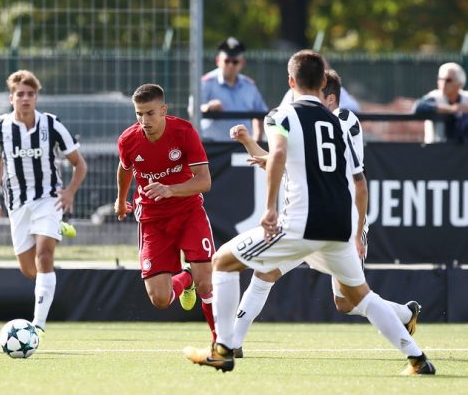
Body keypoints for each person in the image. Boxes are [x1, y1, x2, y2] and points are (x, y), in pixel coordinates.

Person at [183, 50, 435, 375]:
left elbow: (278, 155)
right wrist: (357, 232)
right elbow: (359, 183)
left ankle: (223, 349)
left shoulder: (283, 115)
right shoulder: (339, 122)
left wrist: (269, 208)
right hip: (339, 227)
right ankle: (417, 359)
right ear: (322, 82)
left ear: (291, 81)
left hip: (300, 224)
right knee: (362, 298)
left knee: (222, 261)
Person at [228, 69, 421, 358]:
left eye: (312, 93)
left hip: (339, 220)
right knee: (264, 272)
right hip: (303, 219)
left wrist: (358, 231)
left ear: (328, 97)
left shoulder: (343, 120)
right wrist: (248, 141)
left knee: (348, 302)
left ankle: (406, 320)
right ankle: (233, 343)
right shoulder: (311, 123)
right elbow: (285, 159)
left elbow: (313, 162)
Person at [0, 70, 87, 335]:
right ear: (11, 98)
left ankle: (38, 326)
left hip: (48, 199)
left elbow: (80, 164)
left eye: (30, 94)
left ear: (36, 97)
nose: (25, 99)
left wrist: (69, 192)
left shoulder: (52, 125)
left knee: (44, 256)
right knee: (30, 270)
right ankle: (55, 230)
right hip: (17, 204)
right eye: (20, 94)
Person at [115, 83, 217, 342]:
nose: (144, 121)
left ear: (163, 110)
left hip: (188, 212)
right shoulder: (128, 139)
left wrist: (170, 190)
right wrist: (121, 200)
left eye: (150, 113)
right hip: (152, 219)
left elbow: (204, 181)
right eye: (139, 114)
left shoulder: (184, 132)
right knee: (160, 299)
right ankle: (186, 278)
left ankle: (222, 341)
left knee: (206, 283)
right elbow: (125, 168)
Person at [199, 37, 267, 142]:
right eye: (227, 61)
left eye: (235, 62)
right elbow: (193, 109)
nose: (230, 65)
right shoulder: (207, 82)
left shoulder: (249, 85)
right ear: (218, 61)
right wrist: (208, 107)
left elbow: (261, 114)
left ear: (242, 63)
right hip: (212, 145)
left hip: (243, 145)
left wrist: (257, 141)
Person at [412, 62, 468, 143]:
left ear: (459, 83)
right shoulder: (435, 96)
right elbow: (417, 107)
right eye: (440, 79)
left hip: (462, 149)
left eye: (448, 80)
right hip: (436, 148)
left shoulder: (466, 98)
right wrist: (450, 109)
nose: (443, 83)